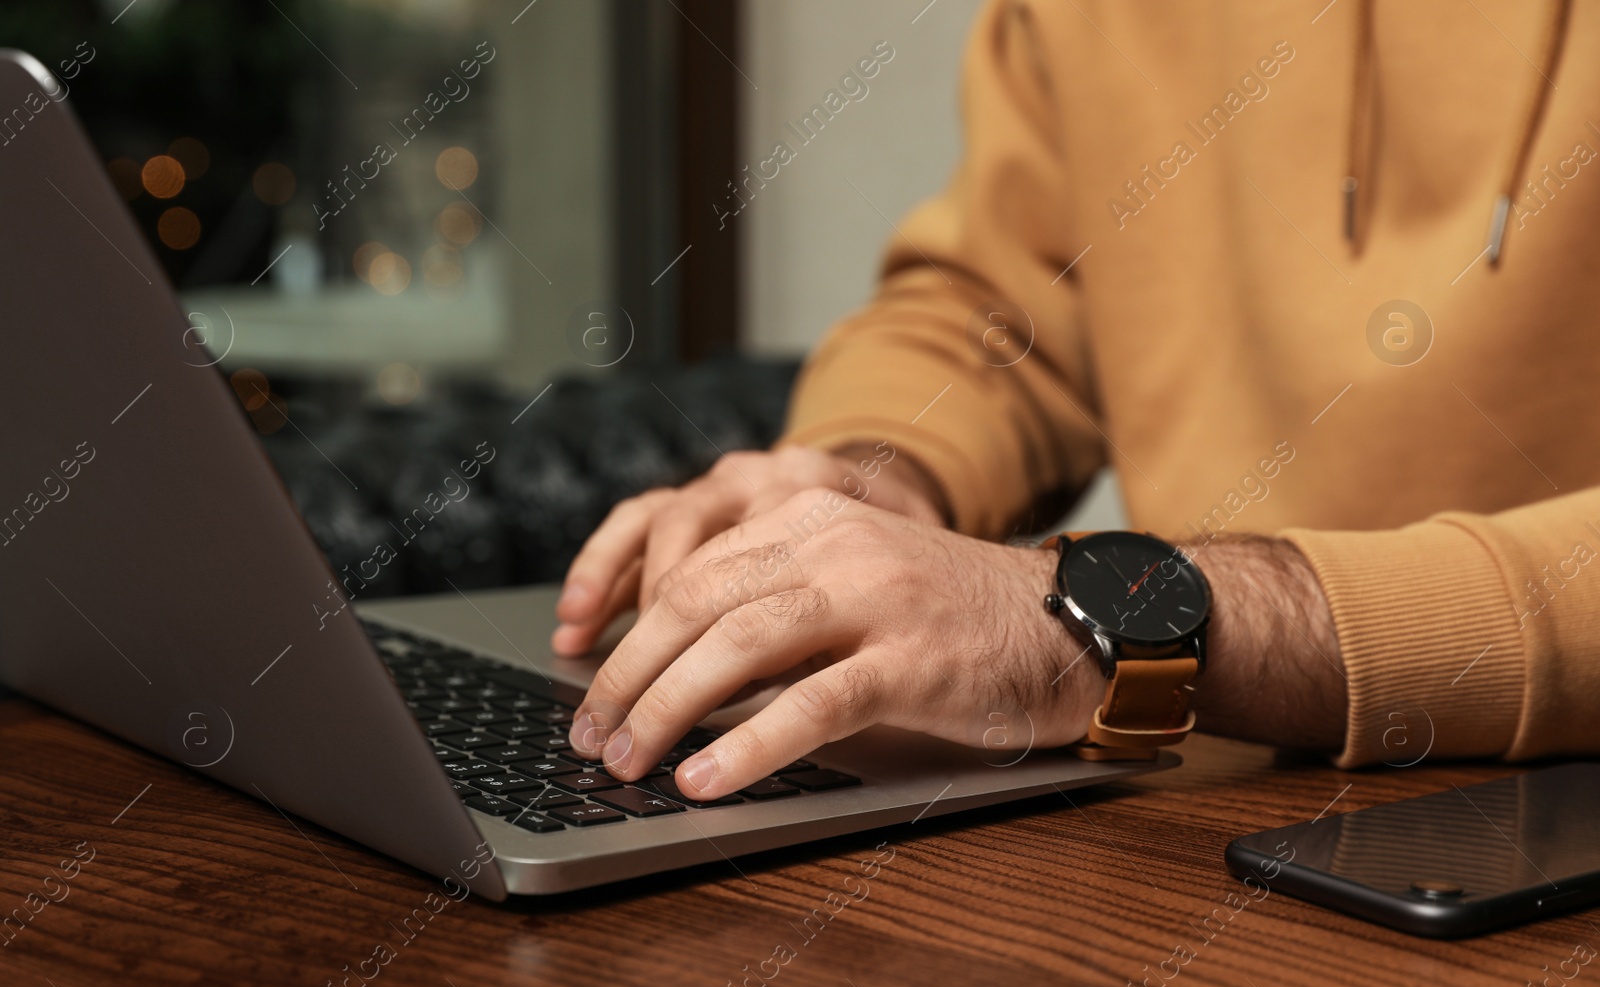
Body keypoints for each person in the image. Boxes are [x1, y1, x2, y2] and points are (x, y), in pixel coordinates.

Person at [552, 0, 1599, 799]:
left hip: (1538, 817)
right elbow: (1002, 305)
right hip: (1189, 793)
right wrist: (872, 473)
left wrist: (1117, 622)